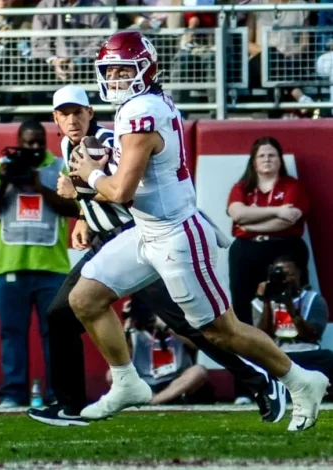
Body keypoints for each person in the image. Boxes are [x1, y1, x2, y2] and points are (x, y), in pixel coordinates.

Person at [66, 31, 327, 431]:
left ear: (145, 70)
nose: (115, 77)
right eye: (110, 70)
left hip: (176, 237)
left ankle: (300, 380)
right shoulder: (137, 106)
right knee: (85, 298)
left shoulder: (142, 114)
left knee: (221, 330)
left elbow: (120, 190)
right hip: (146, 230)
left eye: (123, 69)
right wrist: (99, 174)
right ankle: (127, 382)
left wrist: (91, 173)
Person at [27, 85, 281, 428]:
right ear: (55, 119)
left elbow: (124, 192)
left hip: (143, 240)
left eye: (78, 112)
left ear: (90, 113)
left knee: (194, 325)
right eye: (64, 114)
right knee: (61, 313)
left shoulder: (107, 140)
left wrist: (81, 190)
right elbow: (95, 193)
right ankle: (71, 404)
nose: (72, 120)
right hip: (111, 244)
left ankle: (261, 382)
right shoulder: (67, 144)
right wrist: (83, 217)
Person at [0, 120, 79, 407]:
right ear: (18, 141)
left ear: (45, 143)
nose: (33, 148)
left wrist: (39, 188)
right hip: (11, 266)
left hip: (52, 267)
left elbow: (75, 207)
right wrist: (5, 183)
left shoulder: (58, 168)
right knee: (11, 334)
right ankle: (12, 394)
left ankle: (58, 394)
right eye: (28, 143)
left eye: (38, 143)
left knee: (54, 335)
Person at [227, 137, 310, 327]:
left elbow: (290, 219)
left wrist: (250, 226)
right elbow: (237, 213)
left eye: (272, 155)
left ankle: (290, 346)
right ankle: (247, 350)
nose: (267, 159)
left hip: (284, 248)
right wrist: (277, 210)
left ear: (280, 160)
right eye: (261, 155)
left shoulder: (293, 186)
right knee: (243, 302)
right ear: (253, 162)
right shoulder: (242, 187)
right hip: (246, 250)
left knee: (287, 296)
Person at [254, 256, 333, 379]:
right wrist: (266, 302)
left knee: (328, 358)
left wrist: (290, 307)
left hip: (307, 353)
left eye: (289, 274)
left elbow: (312, 335)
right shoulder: (260, 303)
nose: (285, 280)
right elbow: (262, 337)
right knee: (251, 360)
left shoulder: (314, 299)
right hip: (277, 355)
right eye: (280, 276)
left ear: (298, 275)